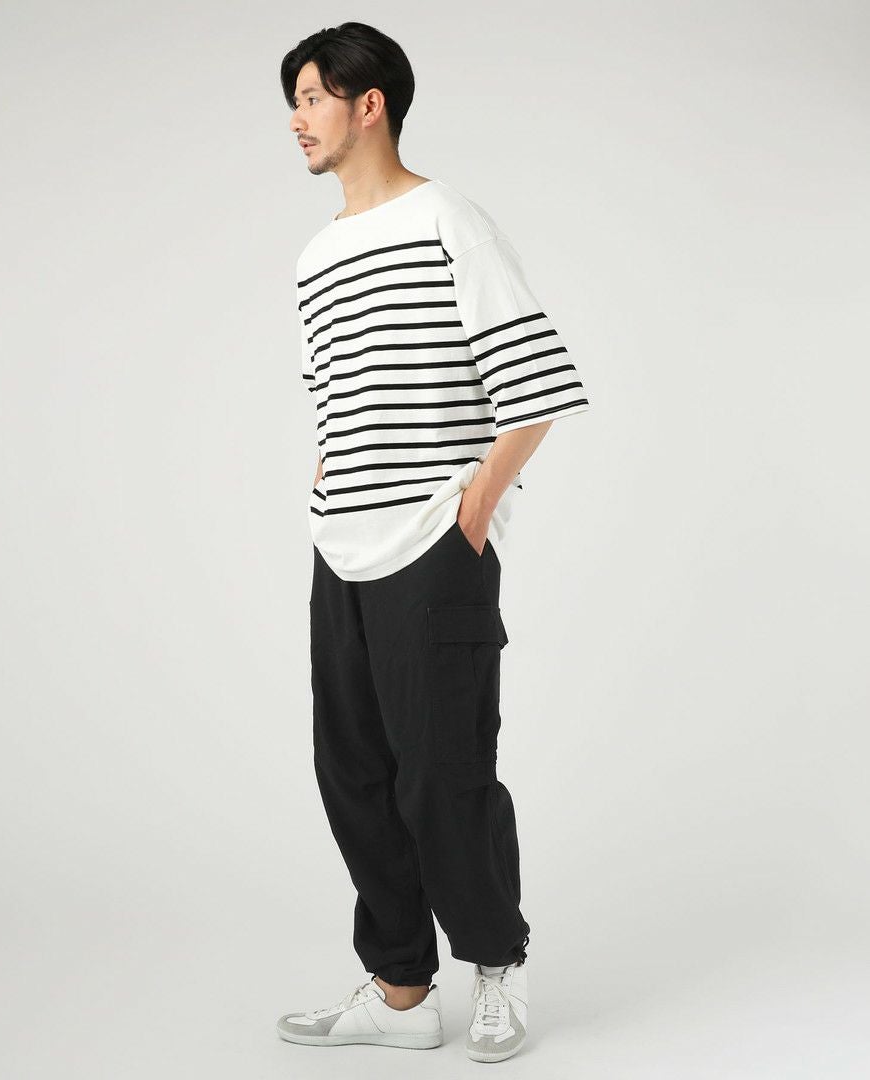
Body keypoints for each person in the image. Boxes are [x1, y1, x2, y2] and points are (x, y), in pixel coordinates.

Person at [277, 21, 591, 1063]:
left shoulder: (450, 219)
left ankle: (497, 963)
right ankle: (402, 992)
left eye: (312, 97)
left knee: (443, 775)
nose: (297, 120)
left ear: (369, 104)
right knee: (352, 772)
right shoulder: (315, 257)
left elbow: (534, 380)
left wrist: (480, 501)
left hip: (431, 544)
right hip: (340, 549)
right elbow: (338, 393)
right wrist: (326, 476)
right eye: (294, 102)